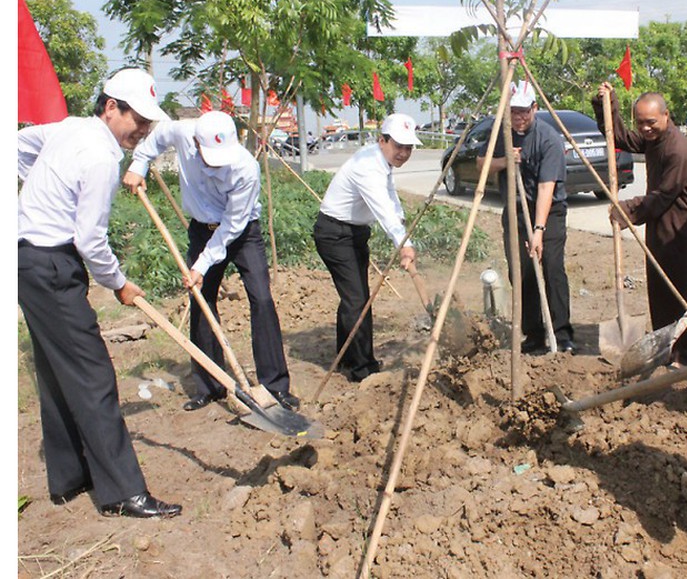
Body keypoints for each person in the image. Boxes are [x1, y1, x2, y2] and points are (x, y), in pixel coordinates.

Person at [17, 68, 182, 518]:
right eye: (137, 119)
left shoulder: (70, 129)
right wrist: (121, 284)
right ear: (111, 106)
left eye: (149, 121)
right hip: (51, 264)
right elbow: (91, 241)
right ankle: (123, 493)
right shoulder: (100, 159)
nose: (143, 129)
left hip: (28, 260)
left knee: (55, 372)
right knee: (93, 376)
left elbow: (16, 147)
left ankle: (70, 479)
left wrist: (39, 191)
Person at [122, 111, 298, 412]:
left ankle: (275, 385)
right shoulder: (181, 131)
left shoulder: (245, 168)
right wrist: (139, 164)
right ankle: (210, 385)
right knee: (202, 300)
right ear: (195, 143)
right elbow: (156, 137)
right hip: (202, 229)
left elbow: (232, 225)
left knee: (262, 298)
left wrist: (201, 265)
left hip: (242, 233)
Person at [592, 83, 687, 365]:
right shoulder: (653, 140)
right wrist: (606, 106)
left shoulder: (678, 150)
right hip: (664, 227)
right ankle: (673, 348)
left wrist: (626, 210)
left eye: (651, 123)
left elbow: (662, 196)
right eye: (641, 123)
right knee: (664, 291)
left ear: (666, 116)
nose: (645, 129)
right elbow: (621, 138)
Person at [314, 113, 420, 381]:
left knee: (354, 298)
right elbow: (382, 208)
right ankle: (363, 369)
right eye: (399, 146)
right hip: (335, 235)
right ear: (382, 140)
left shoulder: (379, 160)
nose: (404, 153)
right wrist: (404, 244)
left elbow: (390, 197)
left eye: (409, 148)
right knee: (357, 301)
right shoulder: (368, 166)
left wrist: (403, 225)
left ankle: (348, 356)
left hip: (354, 234)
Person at [478, 81, 575, 354]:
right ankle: (533, 333)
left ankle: (562, 334)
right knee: (521, 272)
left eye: (524, 111)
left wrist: (539, 230)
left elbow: (547, 187)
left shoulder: (548, 139)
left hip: (549, 211)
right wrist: (505, 160)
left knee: (552, 268)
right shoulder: (501, 134)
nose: (519, 118)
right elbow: (481, 164)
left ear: (535, 108)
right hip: (515, 209)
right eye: (513, 112)